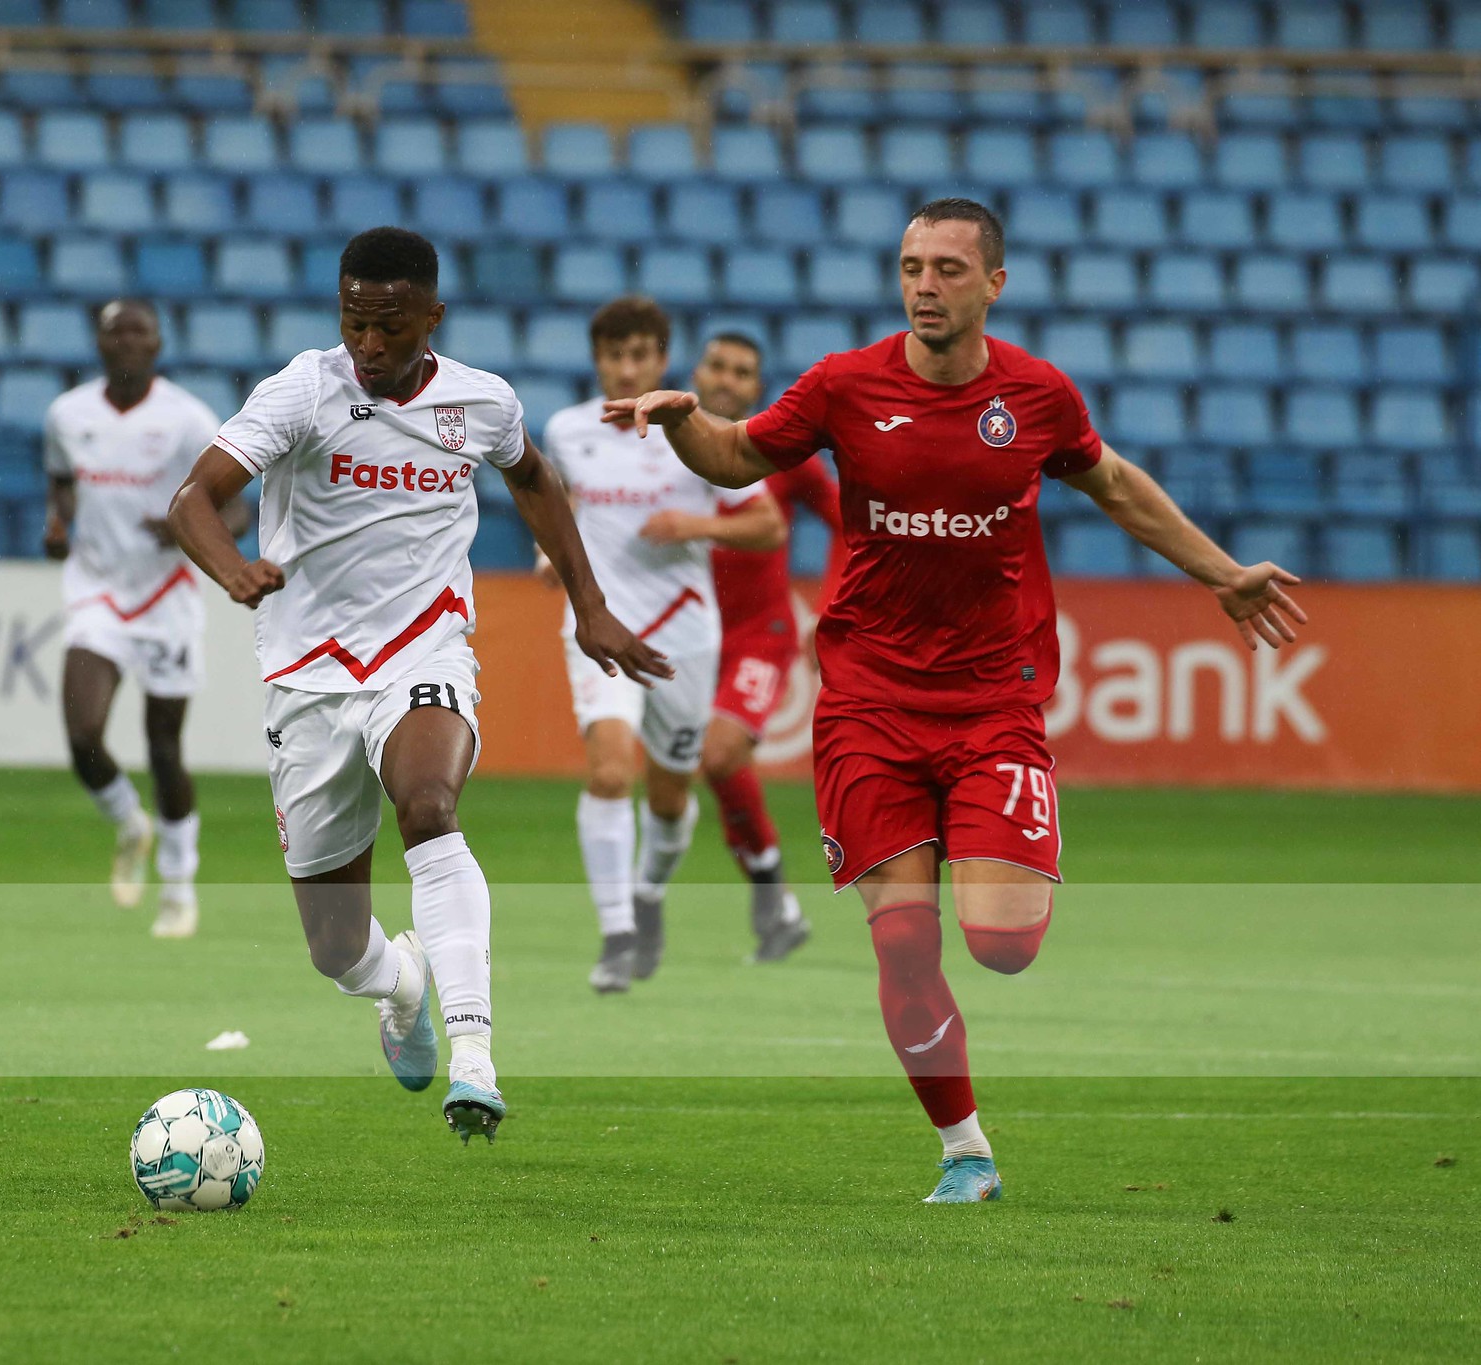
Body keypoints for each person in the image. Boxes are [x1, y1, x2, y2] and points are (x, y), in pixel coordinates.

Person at [606, 198, 1307, 1203]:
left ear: (993, 284)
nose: (923, 286)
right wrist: (683, 424)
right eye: (909, 267)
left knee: (1003, 945)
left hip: (991, 705)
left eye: (945, 268)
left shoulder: (1036, 395)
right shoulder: (844, 385)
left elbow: (1114, 485)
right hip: (866, 701)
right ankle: (964, 1151)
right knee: (902, 939)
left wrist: (1221, 573)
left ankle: (998, 846)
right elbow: (734, 456)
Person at [168, 228, 665, 1144]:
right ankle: (401, 986)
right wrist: (233, 569)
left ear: (431, 316)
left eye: (389, 326)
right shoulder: (300, 392)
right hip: (308, 675)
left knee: (430, 805)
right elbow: (191, 498)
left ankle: (474, 1055)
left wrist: (590, 606)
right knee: (333, 948)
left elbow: (534, 479)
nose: (367, 344)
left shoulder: (482, 402)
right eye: (352, 322)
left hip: (421, 650)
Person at [540, 298, 785, 995]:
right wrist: (552, 552)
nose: (626, 369)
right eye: (614, 356)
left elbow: (768, 527)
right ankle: (618, 934)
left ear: (661, 360)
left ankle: (647, 894)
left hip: (683, 636)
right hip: (602, 627)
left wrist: (692, 525)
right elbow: (566, 505)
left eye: (640, 355)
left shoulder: (693, 431)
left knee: (671, 797)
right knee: (611, 771)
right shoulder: (567, 431)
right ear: (597, 360)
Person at [43, 299, 233, 938]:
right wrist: (58, 522)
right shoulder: (67, 414)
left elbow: (233, 508)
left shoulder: (187, 420)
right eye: (114, 332)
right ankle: (130, 823)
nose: (126, 341)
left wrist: (185, 528)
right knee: (83, 737)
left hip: (165, 597)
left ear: (157, 344)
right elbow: (61, 481)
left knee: (164, 749)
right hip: (96, 589)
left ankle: (178, 887)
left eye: (138, 332)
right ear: (98, 344)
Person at [693, 332, 846, 962]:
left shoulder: (780, 454)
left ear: (757, 388)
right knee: (696, 776)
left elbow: (847, 521)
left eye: (742, 372)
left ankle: (771, 898)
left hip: (760, 634)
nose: (727, 380)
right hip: (686, 638)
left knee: (721, 754)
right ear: (698, 374)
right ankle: (775, 908)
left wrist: (832, 604)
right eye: (718, 366)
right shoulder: (665, 447)